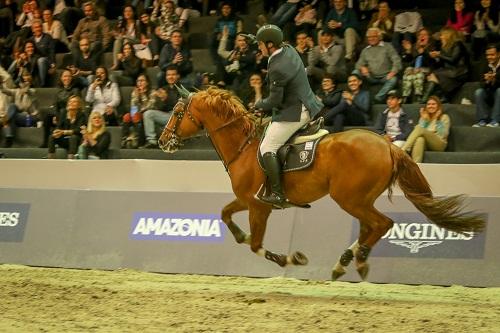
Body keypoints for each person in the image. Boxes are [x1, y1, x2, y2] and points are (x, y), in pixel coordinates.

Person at [253, 24, 323, 208]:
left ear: (269, 45)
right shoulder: (287, 48)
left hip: (295, 111)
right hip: (305, 100)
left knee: (267, 147)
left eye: (260, 44)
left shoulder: (278, 67)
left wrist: (258, 104)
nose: (258, 48)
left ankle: (278, 194)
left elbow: (274, 101)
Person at [354, 27, 401, 103]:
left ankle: (378, 98)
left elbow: (397, 61)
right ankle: (355, 95)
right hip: (371, 77)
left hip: (386, 76)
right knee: (356, 72)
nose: (371, 39)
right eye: (369, 37)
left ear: (379, 37)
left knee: (394, 79)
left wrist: (393, 72)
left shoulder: (388, 46)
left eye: (374, 36)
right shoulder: (365, 50)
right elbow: (357, 65)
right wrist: (362, 67)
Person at [424, 27, 469, 102]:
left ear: (448, 35)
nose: (440, 37)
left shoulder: (458, 44)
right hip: (450, 71)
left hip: (460, 71)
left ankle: (437, 96)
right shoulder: (444, 48)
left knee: (435, 74)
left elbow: (453, 60)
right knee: (432, 74)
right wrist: (434, 58)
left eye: (442, 35)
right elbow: (440, 64)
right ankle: (437, 97)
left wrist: (439, 55)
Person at [141, 65, 181, 148]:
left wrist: (166, 98)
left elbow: (180, 106)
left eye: (173, 75)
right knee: (148, 114)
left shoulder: (182, 88)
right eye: (168, 75)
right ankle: (152, 141)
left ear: (178, 76)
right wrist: (161, 100)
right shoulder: (163, 88)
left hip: (178, 117)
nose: (170, 77)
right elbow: (159, 108)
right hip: (166, 116)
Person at [39, 69, 81, 148]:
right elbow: (55, 105)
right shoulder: (59, 91)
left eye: (69, 76)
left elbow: (76, 104)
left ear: (72, 78)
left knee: (63, 111)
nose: (67, 78)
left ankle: (58, 135)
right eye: (65, 76)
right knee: (47, 117)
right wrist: (55, 116)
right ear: (61, 78)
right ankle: (46, 142)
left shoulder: (75, 90)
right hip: (59, 115)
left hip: (70, 115)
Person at [402, 95, 450, 163]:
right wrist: (425, 121)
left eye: (433, 104)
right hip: (427, 143)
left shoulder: (444, 117)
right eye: (429, 104)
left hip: (439, 144)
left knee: (419, 128)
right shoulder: (424, 117)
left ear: (438, 106)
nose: (431, 106)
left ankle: (403, 150)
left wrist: (437, 120)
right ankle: (416, 166)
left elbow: (443, 135)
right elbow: (418, 134)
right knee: (419, 139)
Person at [0, 69, 39, 148]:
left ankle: (3, 122)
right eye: (22, 81)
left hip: (30, 118)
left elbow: (29, 94)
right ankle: (9, 138)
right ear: (19, 83)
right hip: (17, 117)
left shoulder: (32, 92)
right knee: (12, 109)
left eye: (25, 82)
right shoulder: (16, 91)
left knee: (12, 109)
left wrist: (27, 89)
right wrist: (1, 83)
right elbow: (4, 90)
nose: (23, 84)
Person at [47, 95, 87, 159]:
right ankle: (51, 159)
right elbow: (58, 126)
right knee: (52, 136)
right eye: (70, 101)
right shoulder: (63, 113)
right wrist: (56, 132)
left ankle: (71, 160)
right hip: (65, 140)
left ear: (79, 105)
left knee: (73, 137)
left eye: (74, 102)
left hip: (77, 140)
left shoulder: (82, 115)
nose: (71, 103)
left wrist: (63, 132)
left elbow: (78, 130)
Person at [122, 74, 154, 148]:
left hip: (148, 115)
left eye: (142, 80)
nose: (140, 83)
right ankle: (124, 138)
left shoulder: (152, 92)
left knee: (137, 116)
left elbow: (149, 107)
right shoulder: (135, 92)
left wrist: (142, 95)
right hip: (138, 114)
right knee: (127, 116)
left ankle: (140, 141)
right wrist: (136, 97)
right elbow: (133, 108)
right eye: (138, 81)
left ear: (147, 82)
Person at [473, 44, 500, 127]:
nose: (489, 57)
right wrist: (487, 82)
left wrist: (494, 80)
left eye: (492, 55)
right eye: (487, 55)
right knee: (479, 92)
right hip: (489, 93)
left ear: (499, 54)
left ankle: (495, 120)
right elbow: (481, 83)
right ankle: (482, 120)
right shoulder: (484, 64)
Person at [111, 5, 140, 71]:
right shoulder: (122, 24)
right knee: (118, 41)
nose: (127, 13)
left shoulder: (137, 23)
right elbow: (118, 36)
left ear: (133, 13)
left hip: (135, 41)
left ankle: (123, 63)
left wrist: (125, 36)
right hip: (125, 43)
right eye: (125, 11)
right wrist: (116, 34)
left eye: (129, 11)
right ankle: (116, 64)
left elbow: (139, 40)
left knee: (125, 40)